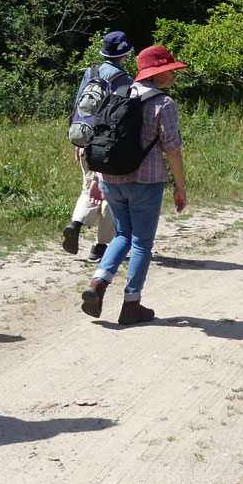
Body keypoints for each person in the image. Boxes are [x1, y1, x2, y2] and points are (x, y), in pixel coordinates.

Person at [81, 44, 188, 325]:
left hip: (109, 179)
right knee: (141, 242)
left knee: (121, 235)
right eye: (169, 71)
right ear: (156, 74)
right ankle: (132, 304)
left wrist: (94, 179)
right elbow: (173, 150)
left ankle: (97, 283)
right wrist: (180, 187)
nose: (172, 76)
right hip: (145, 181)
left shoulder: (117, 94)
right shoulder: (163, 103)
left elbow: (101, 138)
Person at [63, 30, 133, 261]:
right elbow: (121, 117)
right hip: (108, 146)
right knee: (110, 193)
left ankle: (75, 224)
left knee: (87, 188)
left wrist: (79, 141)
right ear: (125, 54)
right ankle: (100, 247)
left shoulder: (89, 73)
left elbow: (78, 107)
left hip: (84, 138)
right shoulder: (124, 80)